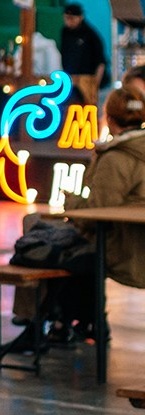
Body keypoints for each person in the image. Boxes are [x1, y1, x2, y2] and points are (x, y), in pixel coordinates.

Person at [88, 90, 145, 290]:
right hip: (135, 248)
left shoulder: (115, 158)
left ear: (109, 119)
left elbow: (97, 213)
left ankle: (37, 314)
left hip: (125, 253)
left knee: (39, 238)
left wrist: (70, 203)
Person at [62, 2, 108, 107]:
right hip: (70, 78)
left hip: (88, 79)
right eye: (66, 18)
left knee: (88, 107)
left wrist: (95, 83)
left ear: (80, 17)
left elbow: (101, 62)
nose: (69, 22)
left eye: (72, 18)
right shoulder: (65, 32)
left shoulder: (90, 34)